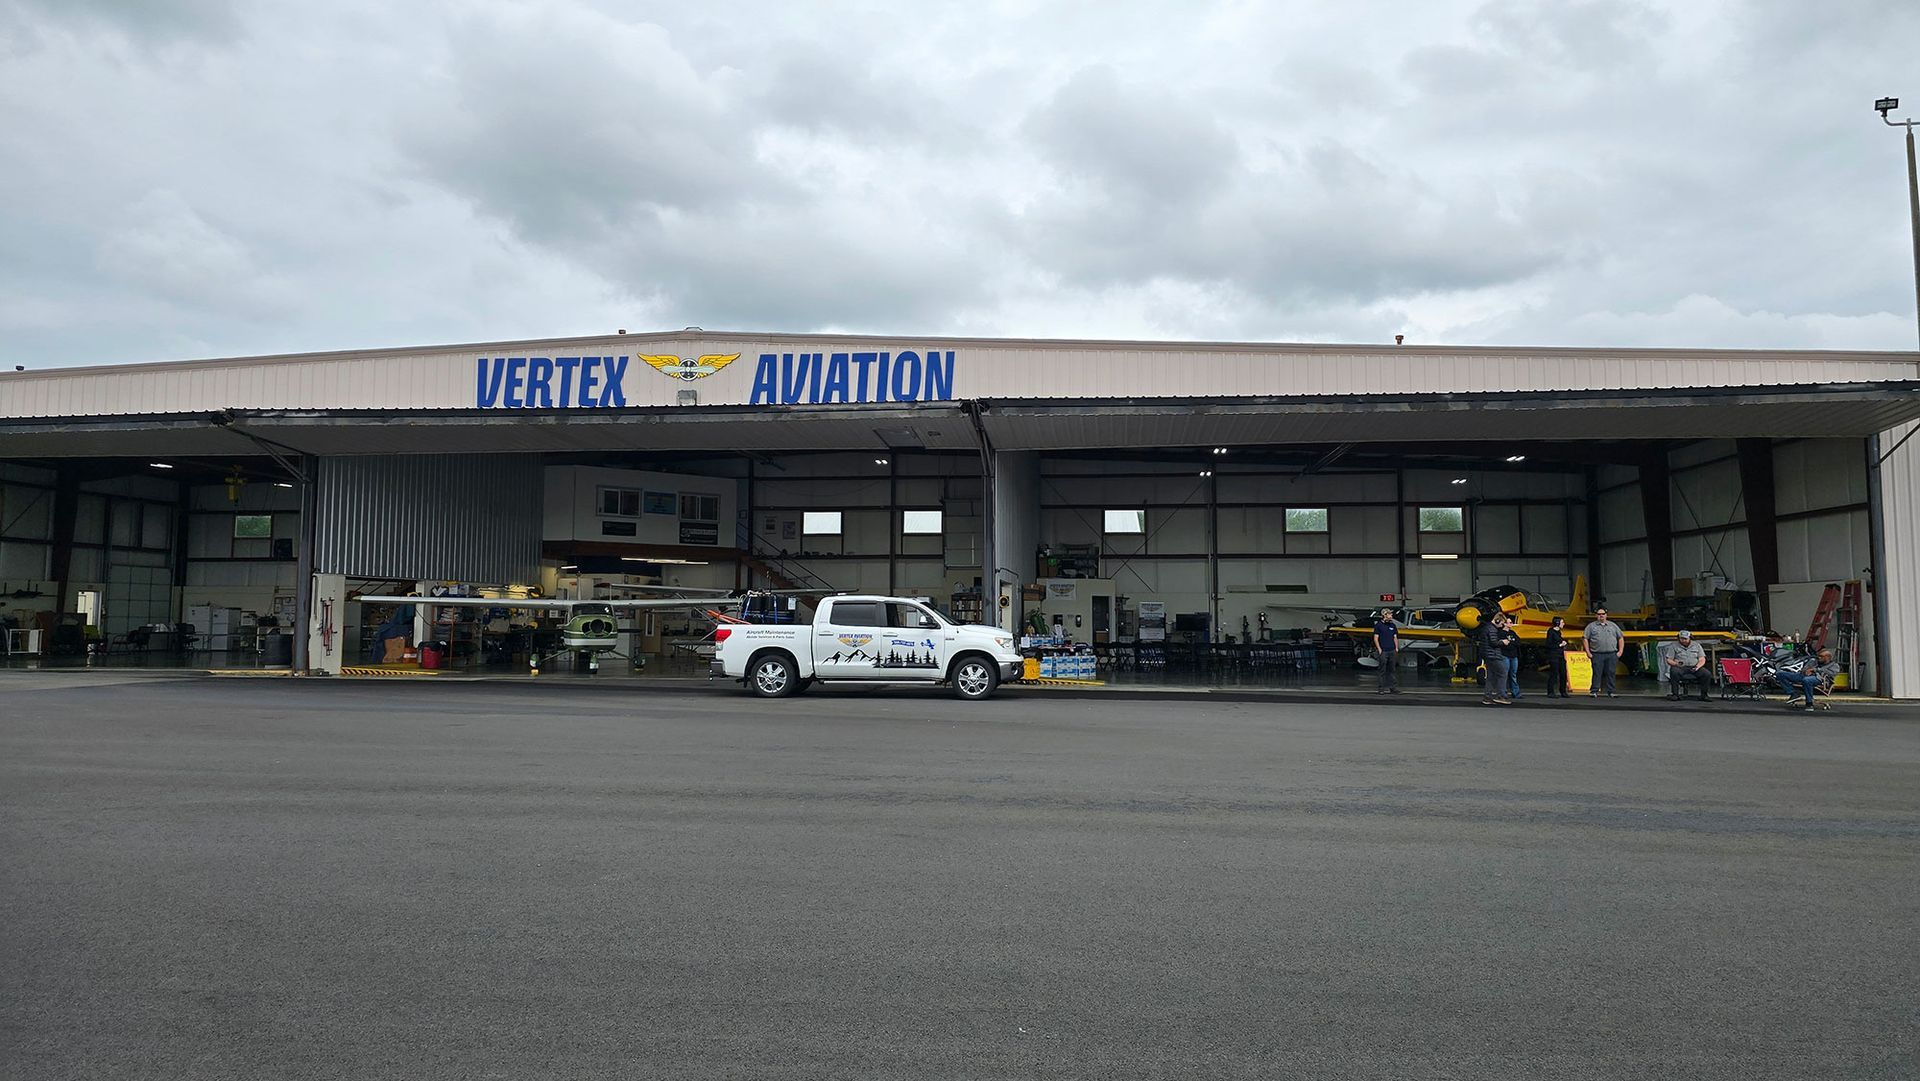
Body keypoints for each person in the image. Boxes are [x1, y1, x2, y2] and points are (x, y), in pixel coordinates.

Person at [1584, 607, 1623, 698]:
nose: (1601, 616)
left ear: (1606, 615)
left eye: (1603, 614)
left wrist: (1620, 651)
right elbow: (1585, 638)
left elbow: (1620, 637)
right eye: (1599, 614)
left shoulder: (1613, 626)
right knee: (1597, 673)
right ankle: (1594, 690)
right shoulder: (1591, 626)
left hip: (1611, 653)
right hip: (1597, 654)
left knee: (1611, 672)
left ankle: (1611, 691)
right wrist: (1588, 652)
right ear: (1596, 615)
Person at [1663, 629, 1712, 702]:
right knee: (1674, 672)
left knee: (1707, 674)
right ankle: (1675, 694)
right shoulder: (1673, 646)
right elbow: (1669, 659)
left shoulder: (1697, 645)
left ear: (1690, 638)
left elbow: (1702, 659)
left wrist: (1697, 666)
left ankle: (1704, 695)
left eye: (1685, 639)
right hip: (1680, 667)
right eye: (1681, 638)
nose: (1683, 640)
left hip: (1694, 666)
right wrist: (1676, 663)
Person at [1480, 612, 1514, 705]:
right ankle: (1501, 696)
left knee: (1491, 677)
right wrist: (1503, 642)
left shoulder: (1487, 628)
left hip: (1488, 655)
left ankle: (1487, 697)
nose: (1502, 625)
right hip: (1493, 655)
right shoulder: (1492, 629)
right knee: (1502, 673)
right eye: (1502, 623)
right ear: (1497, 620)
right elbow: (1493, 643)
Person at [1371, 608, 1400, 694]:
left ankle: (1393, 688)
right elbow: (1376, 638)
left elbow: (1395, 637)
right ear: (1385, 615)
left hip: (1392, 650)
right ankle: (1381, 689)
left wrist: (1396, 648)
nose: (1391, 616)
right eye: (1390, 614)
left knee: (1392, 670)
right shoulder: (1378, 626)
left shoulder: (1393, 625)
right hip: (1383, 650)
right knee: (1382, 670)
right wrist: (1379, 649)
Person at [1544, 616, 1570, 698]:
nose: (1563, 624)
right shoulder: (1551, 632)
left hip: (1560, 655)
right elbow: (1548, 644)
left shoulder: (1559, 632)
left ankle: (1563, 691)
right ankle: (1550, 691)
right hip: (1553, 655)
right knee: (1554, 673)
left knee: (1563, 673)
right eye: (1562, 622)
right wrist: (1559, 645)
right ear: (1557, 623)